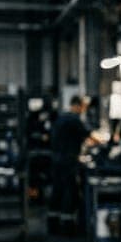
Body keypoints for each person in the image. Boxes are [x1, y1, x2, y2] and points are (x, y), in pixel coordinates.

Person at [49, 95, 99, 233]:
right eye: (82, 107)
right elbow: (88, 136)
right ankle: (68, 225)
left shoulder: (61, 118)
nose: (83, 110)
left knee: (57, 190)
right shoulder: (74, 120)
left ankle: (53, 223)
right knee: (70, 191)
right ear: (77, 105)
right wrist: (101, 141)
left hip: (56, 159)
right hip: (68, 161)